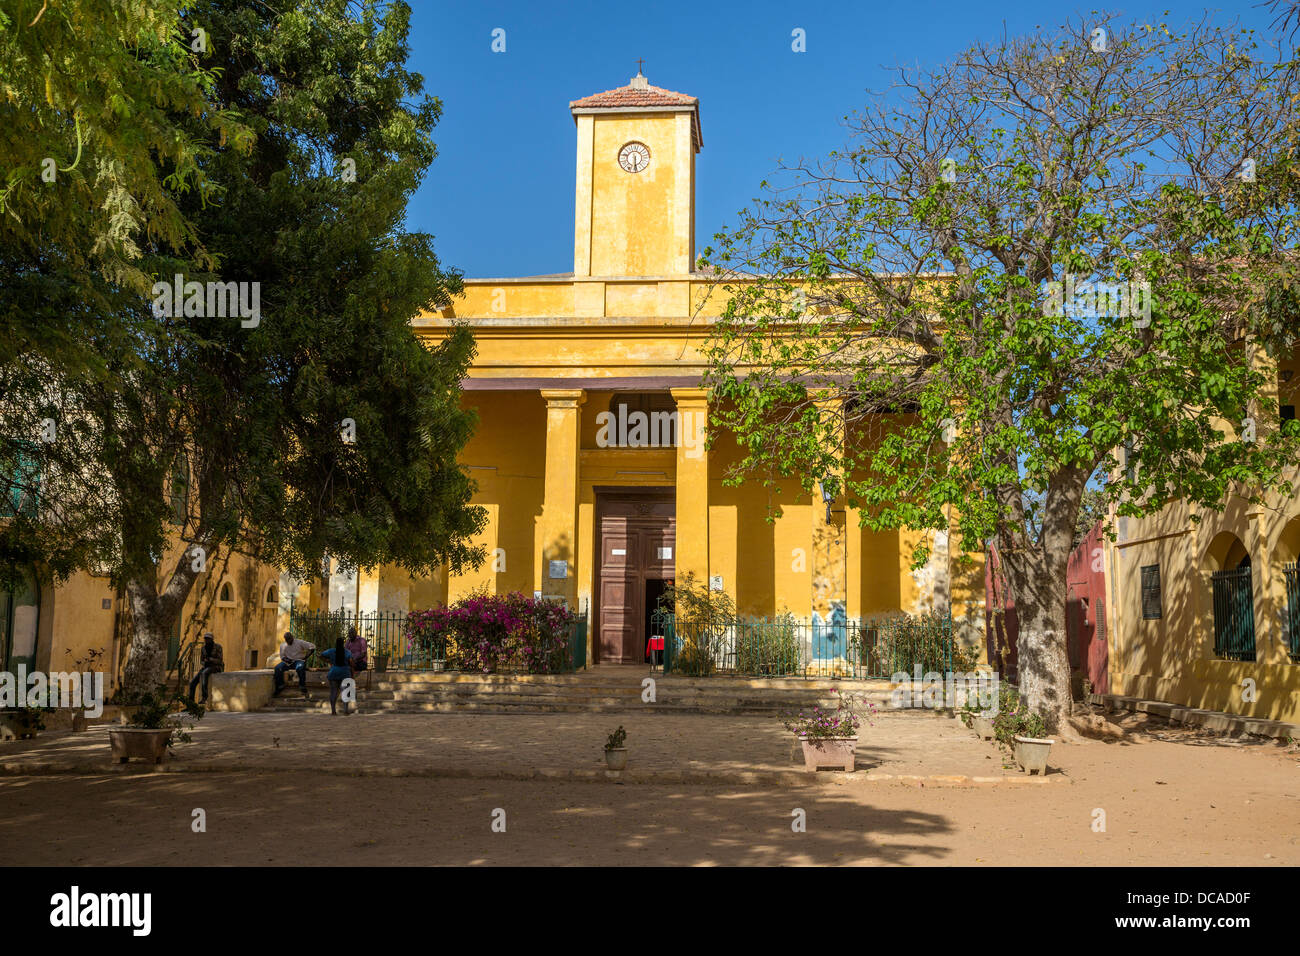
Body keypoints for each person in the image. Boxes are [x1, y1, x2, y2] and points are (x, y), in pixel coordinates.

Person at [274, 631, 315, 698]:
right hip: (288, 662)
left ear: (292, 637)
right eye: (287, 640)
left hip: (299, 660)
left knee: (300, 667)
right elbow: (282, 657)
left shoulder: (299, 642)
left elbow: (312, 647)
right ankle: (280, 685)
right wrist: (287, 660)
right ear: (285, 640)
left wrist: (306, 657)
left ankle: (302, 686)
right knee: (277, 668)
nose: (289, 641)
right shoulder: (283, 645)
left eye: (290, 639)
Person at [319, 637, 354, 715]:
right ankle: (345, 710)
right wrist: (351, 667)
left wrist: (328, 661)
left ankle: (333, 711)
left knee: (333, 692)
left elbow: (321, 655)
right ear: (343, 643)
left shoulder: (331, 651)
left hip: (333, 672)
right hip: (345, 673)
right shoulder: (347, 652)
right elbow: (351, 661)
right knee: (345, 692)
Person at [188, 633, 224, 704]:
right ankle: (190, 703)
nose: (206, 640)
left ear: (212, 639)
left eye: (208, 639)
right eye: (205, 639)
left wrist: (211, 659)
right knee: (192, 683)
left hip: (216, 667)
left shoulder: (218, 647)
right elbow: (201, 660)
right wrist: (204, 662)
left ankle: (204, 697)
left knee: (204, 673)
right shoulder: (203, 648)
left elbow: (220, 660)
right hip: (206, 666)